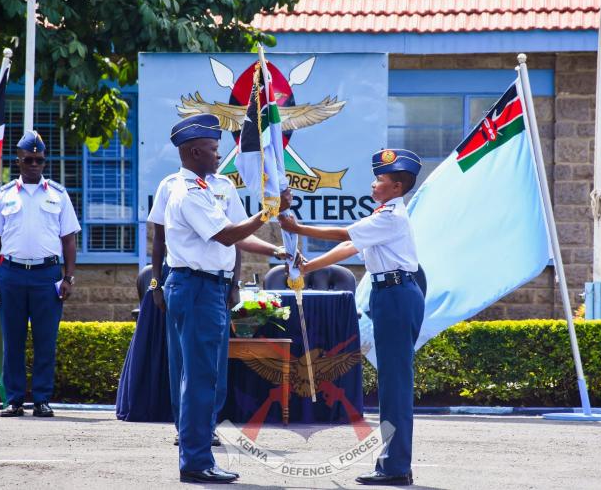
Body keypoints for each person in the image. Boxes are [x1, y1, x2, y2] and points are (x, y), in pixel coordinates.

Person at [280, 148, 424, 486]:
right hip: (390, 293)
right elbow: (351, 248)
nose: (374, 184)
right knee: (391, 382)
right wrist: (309, 265)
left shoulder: (391, 216)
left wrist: (299, 227)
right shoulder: (383, 215)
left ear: (397, 187)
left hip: (397, 295)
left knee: (396, 384)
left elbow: (344, 235)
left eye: (380, 180)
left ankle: (395, 467)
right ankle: (393, 463)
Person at [161, 113, 291, 484]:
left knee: (210, 377)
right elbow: (224, 235)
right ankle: (196, 461)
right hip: (195, 286)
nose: (220, 155)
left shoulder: (211, 187)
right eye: (215, 149)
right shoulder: (187, 193)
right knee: (201, 378)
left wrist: (276, 250)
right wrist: (268, 211)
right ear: (195, 151)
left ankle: (198, 457)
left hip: (210, 288)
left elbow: (239, 234)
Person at [0, 130, 81, 418]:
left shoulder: (59, 195)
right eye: (29, 159)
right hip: (11, 274)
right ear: (19, 161)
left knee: (45, 341)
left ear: (44, 161)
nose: (34, 164)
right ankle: (13, 400)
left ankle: (41, 399)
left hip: (47, 275)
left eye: (39, 160)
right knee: (12, 341)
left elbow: (69, 240)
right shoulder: (4, 195)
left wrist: (69, 277)